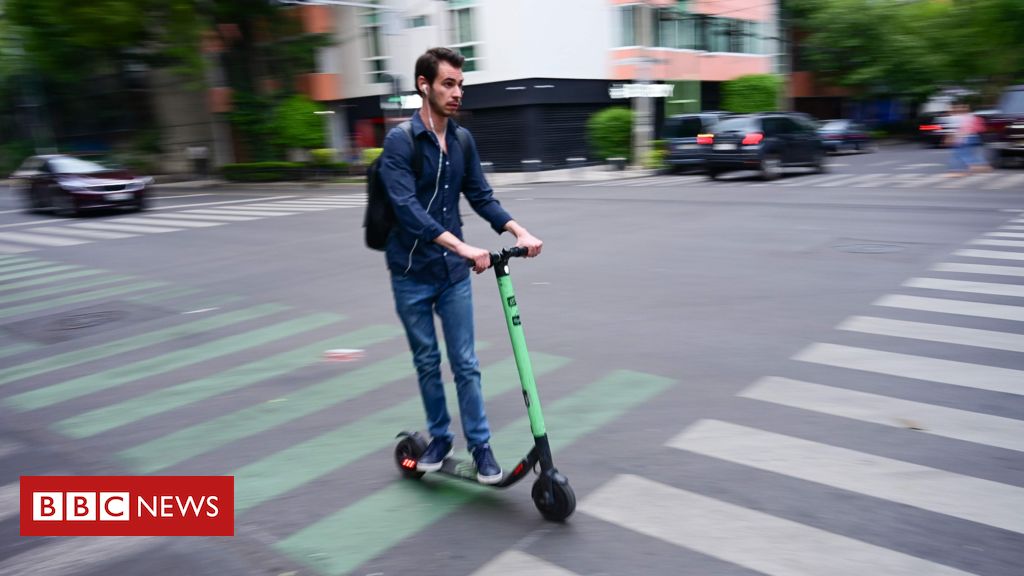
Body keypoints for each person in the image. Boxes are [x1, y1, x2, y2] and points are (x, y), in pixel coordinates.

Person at [379, 47, 543, 484]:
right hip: (410, 274)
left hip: (452, 276)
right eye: (448, 84)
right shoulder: (399, 142)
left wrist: (517, 232)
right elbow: (408, 210)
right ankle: (438, 438)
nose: (456, 93)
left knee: (466, 363)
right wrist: (465, 248)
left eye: (460, 84)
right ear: (424, 85)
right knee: (428, 361)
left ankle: (481, 447)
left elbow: (481, 196)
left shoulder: (463, 141)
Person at [946, 102, 988, 177]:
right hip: (971, 136)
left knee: (960, 154)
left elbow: (954, 130)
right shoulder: (969, 116)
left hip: (961, 138)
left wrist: (950, 138)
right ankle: (975, 166)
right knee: (963, 154)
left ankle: (962, 170)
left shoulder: (953, 118)